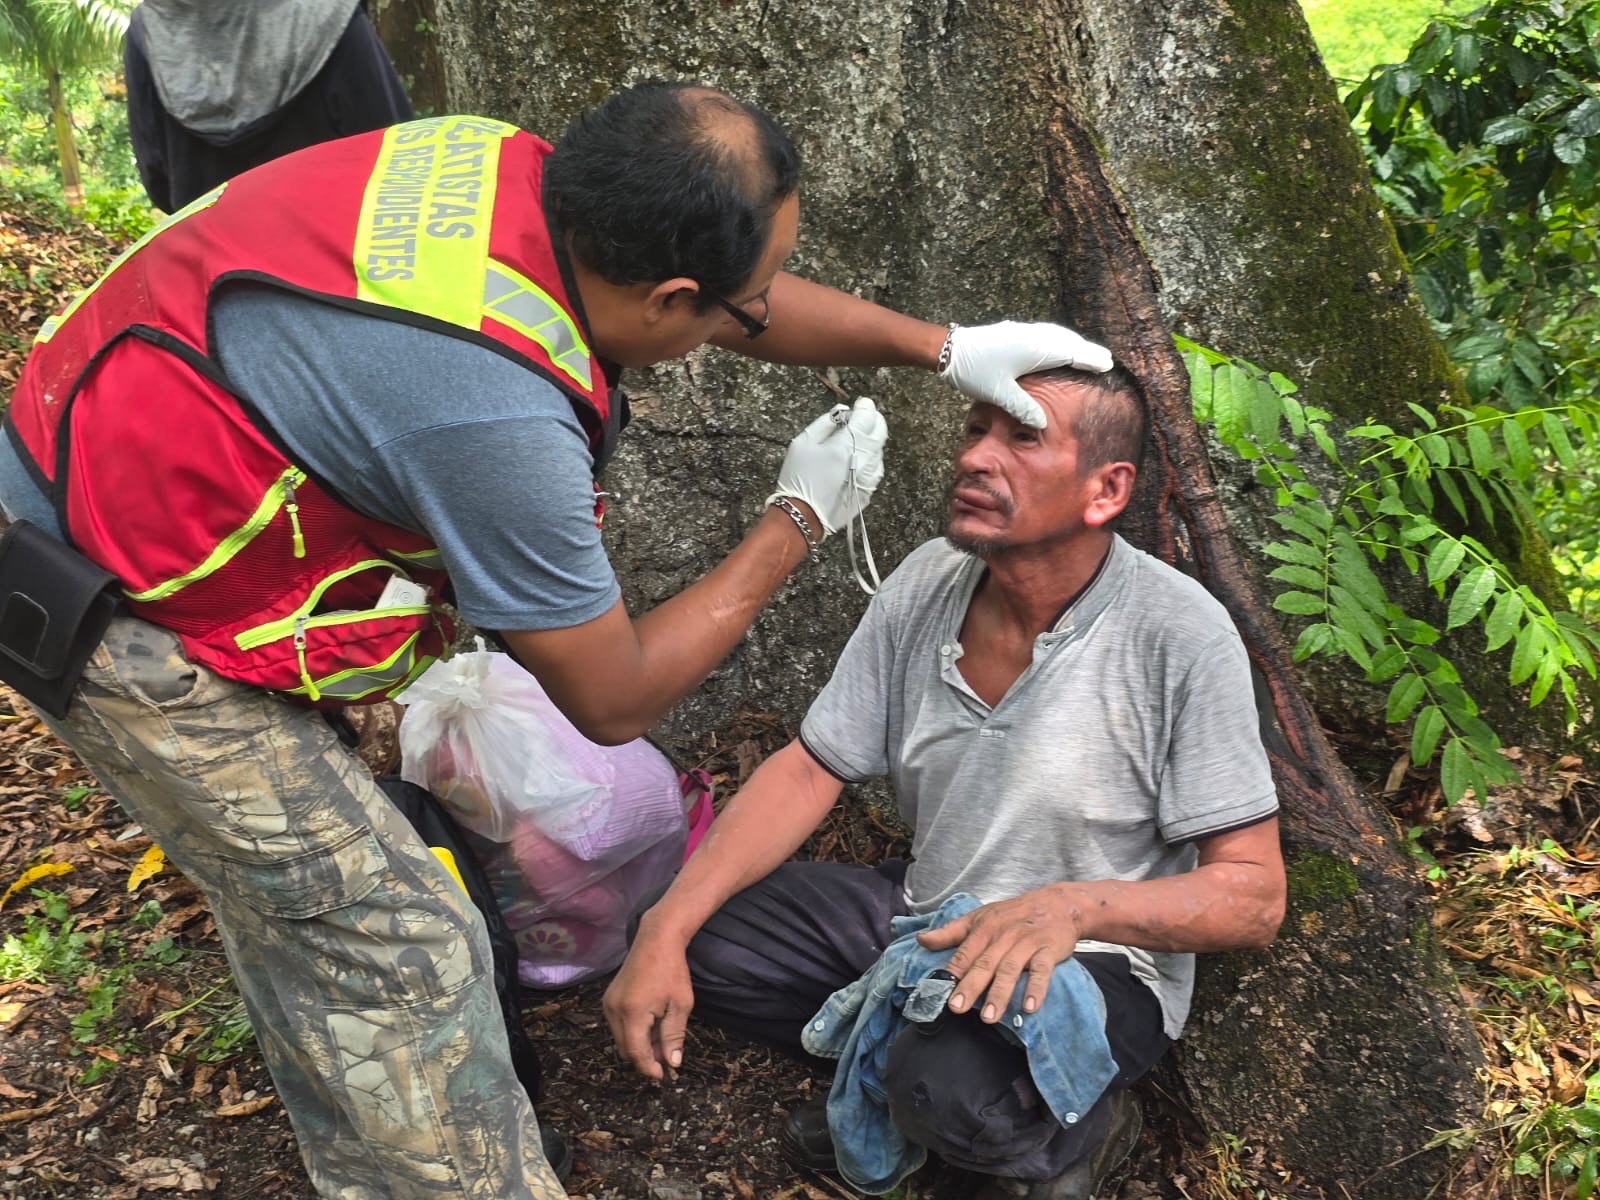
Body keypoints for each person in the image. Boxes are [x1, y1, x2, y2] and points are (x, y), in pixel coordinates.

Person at [0, 82, 1112, 1199]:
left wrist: (945, 347)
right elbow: (612, 698)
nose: (767, 310)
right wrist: (796, 521)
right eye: (750, 297)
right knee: (398, 947)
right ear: (673, 298)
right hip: (121, 613)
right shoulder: (487, 415)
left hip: (90, 455)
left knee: (317, 925)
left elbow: (728, 300)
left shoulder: (500, 167)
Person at [604, 366, 1288, 1198]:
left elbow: (1254, 898)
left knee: (951, 1093)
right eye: (975, 430)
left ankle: (1067, 1131)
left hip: (1092, 959)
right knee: (693, 936)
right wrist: (668, 927)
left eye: (1022, 438)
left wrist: (1070, 907)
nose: (974, 457)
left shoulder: (1180, 635)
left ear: (1105, 491)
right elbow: (812, 768)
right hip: (925, 920)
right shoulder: (927, 578)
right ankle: (900, 1079)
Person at [124, 0, 415, 212]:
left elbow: (155, 172)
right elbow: (396, 149)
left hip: (216, 268)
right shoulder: (329, 13)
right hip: (334, 263)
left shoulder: (150, 28)